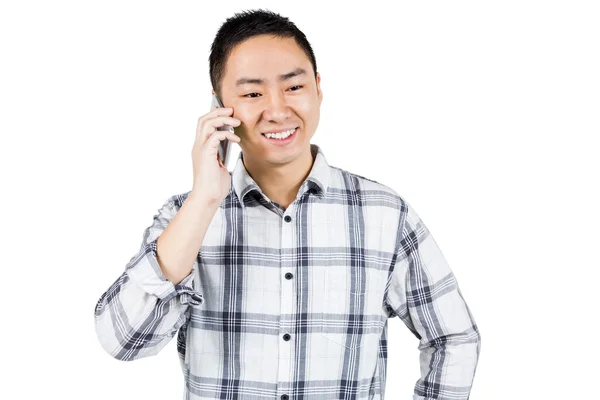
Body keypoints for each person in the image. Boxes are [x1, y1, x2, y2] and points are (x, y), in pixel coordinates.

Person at [94, 8, 481, 400]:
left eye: (293, 87)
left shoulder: (383, 214)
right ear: (218, 106)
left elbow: (453, 337)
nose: (278, 110)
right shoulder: (186, 216)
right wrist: (205, 198)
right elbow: (124, 341)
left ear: (317, 88)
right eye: (252, 94)